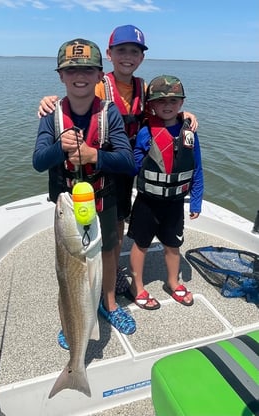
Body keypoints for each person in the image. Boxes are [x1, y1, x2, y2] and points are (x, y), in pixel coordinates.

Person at [37, 25, 199, 295]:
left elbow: (162, 111)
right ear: (109, 55)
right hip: (99, 163)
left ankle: (112, 264)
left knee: (120, 216)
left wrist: (185, 115)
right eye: (121, 50)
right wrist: (46, 102)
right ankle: (100, 267)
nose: (128, 56)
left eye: (134, 51)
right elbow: (75, 97)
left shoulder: (143, 87)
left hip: (130, 162)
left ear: (141, 57)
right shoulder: (99, 85)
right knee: (101, 220)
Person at [33, 38, 137, 347]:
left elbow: (128, 161)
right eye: (72, 70)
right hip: (66, 207)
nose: (80, 76)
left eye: (88, 70)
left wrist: (95, 155)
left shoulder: (110, 113)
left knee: (106, 255)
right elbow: (39, 161)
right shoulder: (51, 115)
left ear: (98, 75)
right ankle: (70, 320)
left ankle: (109, 303)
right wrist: (58, 148)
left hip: (102, 201)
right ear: (61, 75)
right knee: (66, 267)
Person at [125, 75, 204, 310]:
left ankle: (173, 282)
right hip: (146, 202)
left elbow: (197, 168)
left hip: (175, 202)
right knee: (141, 244)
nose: (167, 105)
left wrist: (196, 202)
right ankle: (136, 286)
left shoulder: (190, 133)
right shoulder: (144, 132)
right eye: (161, 101)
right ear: (151, 105)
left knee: (173, 245)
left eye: (173, 100)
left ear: (181, 104)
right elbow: (135, 166)